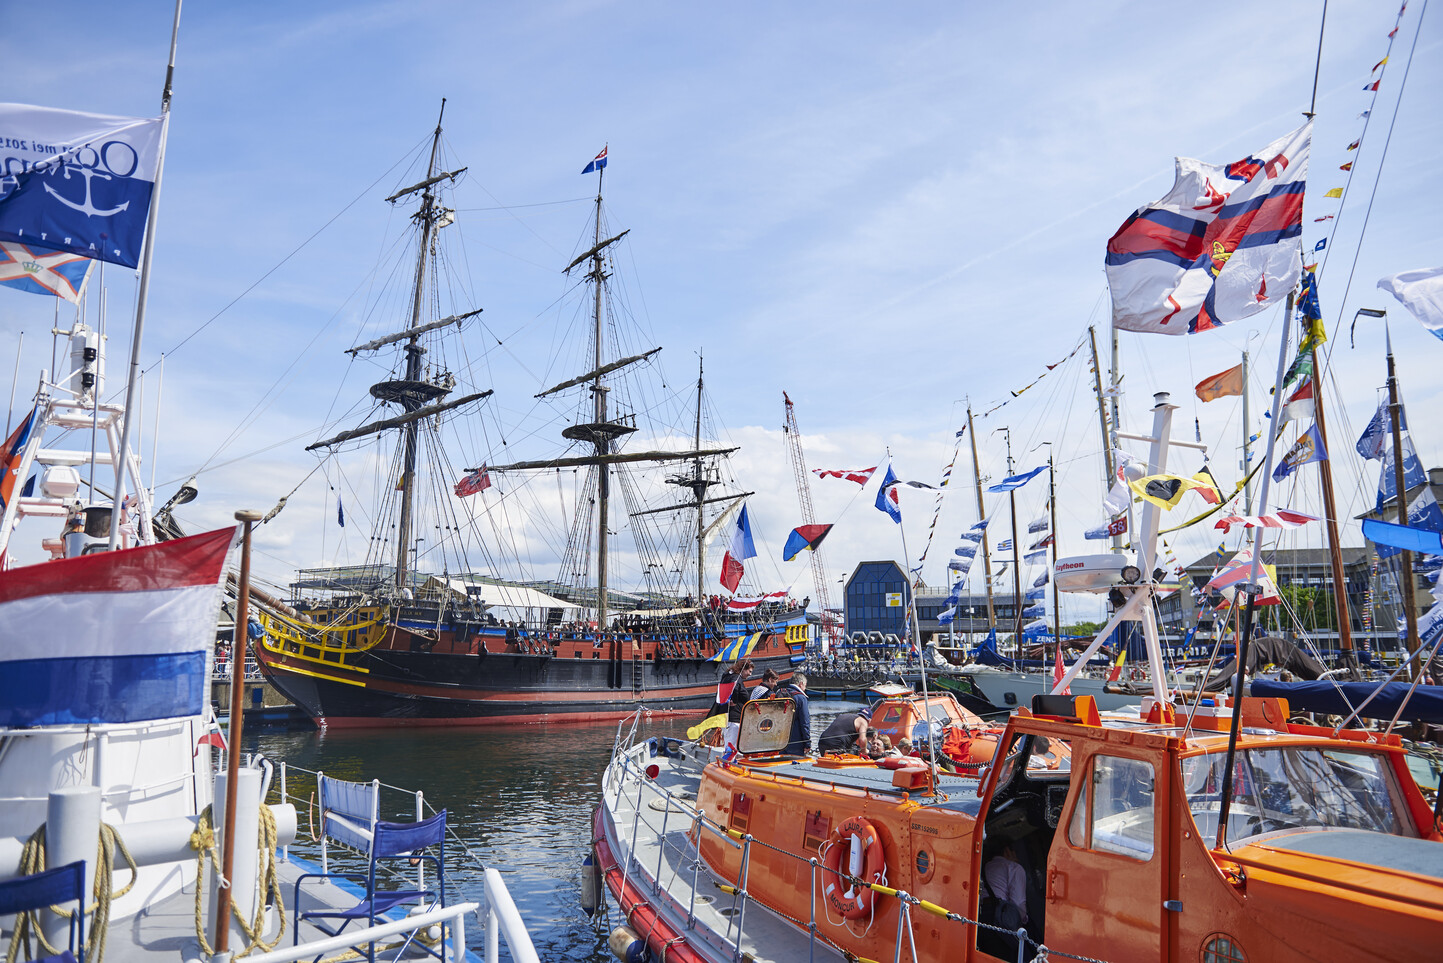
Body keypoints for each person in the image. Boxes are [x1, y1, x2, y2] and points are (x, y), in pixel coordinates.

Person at [980, 843, 1028, 957]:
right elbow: (1019, 904)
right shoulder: (1014, 868)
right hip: (1002, 920)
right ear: (1007, 851)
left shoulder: (983, 867)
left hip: (981, 918)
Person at [779, 674, 811, 755]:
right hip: (796, 741)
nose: (805, 688)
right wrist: (807, 742)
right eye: (805, 685)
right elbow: (805, 723)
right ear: (801, 684)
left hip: (779, 740)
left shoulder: (780, 693)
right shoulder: (801, 698)